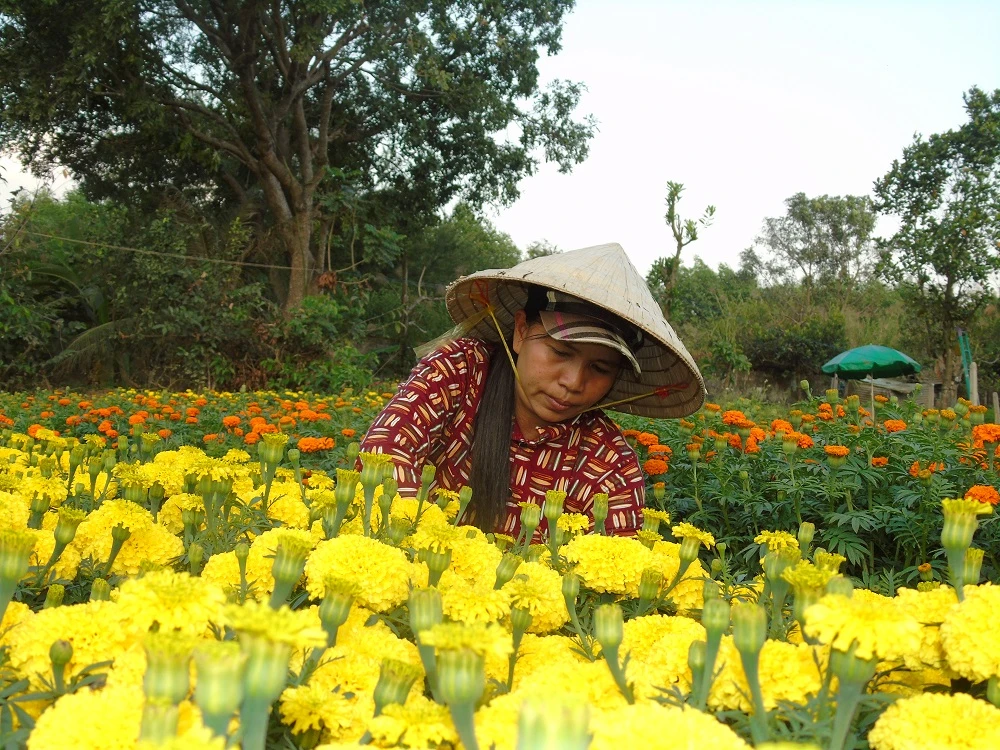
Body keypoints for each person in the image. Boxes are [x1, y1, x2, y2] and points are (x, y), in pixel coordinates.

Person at [360, 243, 705, 537]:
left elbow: (615, 561)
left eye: (599, 368)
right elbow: (383, 457)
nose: (573, 383)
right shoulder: (459, 371)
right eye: (560, 352)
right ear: (521, 331)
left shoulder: (609, 466)